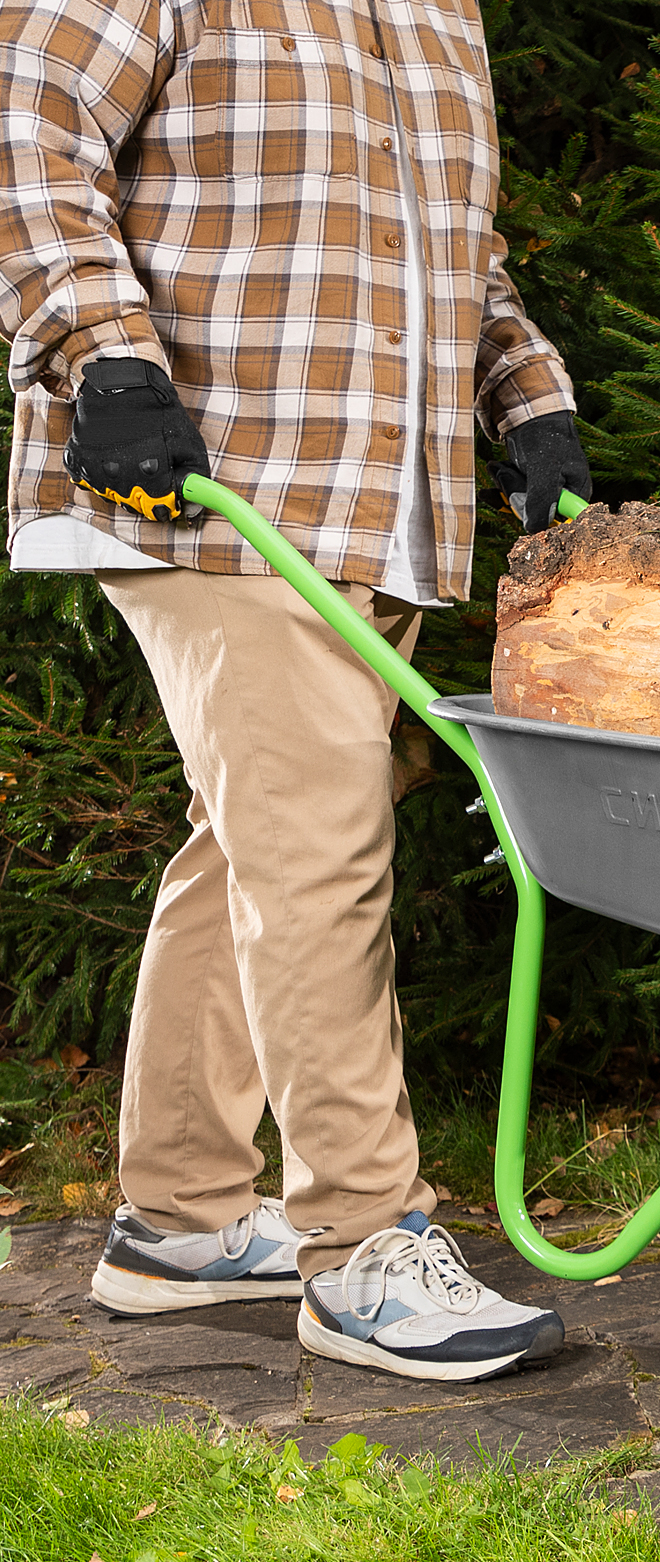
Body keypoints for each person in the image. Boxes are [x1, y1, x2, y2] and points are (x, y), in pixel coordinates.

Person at [0, 0, 591, 1383]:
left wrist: (528, 397)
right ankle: (362, 1245)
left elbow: (454, 245)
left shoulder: (437, 13)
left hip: (378, 508)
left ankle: (180, 1220)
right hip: (214, 485)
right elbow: (28, 131)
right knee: (321, 851)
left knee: (256, 844)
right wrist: (105, 355)